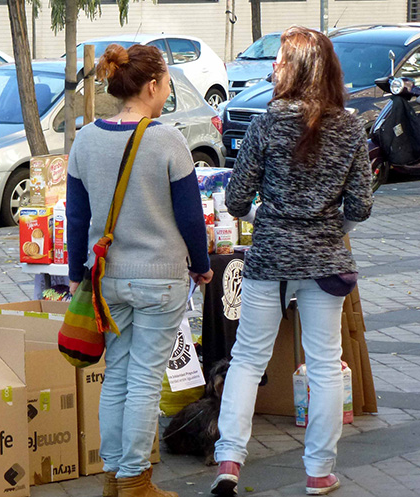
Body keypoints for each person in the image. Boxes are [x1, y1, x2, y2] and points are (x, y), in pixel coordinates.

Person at [211, 26, 373, 496]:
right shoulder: (349, 127)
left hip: (269, 258)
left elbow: (237, 199)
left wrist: (266, 213)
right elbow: (361, 207)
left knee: (246, 359)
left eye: (280, 59)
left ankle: (229, 463)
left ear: (299, 67)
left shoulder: (266, 122)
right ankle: (319, 472)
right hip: (325, 262)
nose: (273, 67)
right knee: (324, 364)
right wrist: (331, 228)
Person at [67, 44, 213, 497]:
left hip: (107, 278)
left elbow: (76, 214)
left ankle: (113, 476)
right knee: (146, 380)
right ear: (152, 86)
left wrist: (76, 272)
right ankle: (134, 480)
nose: (167, 88)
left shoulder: (86, 139)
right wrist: (203, 267)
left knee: (117, 377)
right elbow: (190, 216)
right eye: (167, 81)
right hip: (160, 277)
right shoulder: (167, 140)